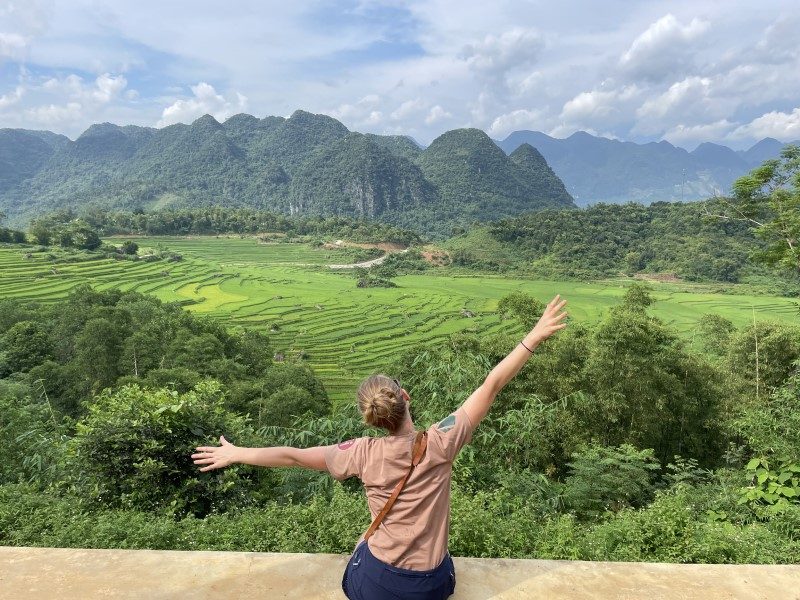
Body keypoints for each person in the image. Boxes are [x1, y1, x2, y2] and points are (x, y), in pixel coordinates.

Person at [192, 295, 568, 599]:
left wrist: (236, 452)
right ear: (405, 397)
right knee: (441, 564)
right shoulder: (442, 441)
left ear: (369, 417)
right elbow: (491, 385)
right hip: (431, 585)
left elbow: (291, 454)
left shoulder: (359, 452)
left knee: (363, 544)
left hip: (379, 584)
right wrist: (532, 337)